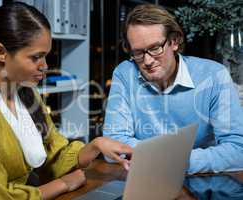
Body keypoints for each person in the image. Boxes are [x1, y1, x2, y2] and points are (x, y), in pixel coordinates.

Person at [0, 2, 132, 200]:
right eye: (36, 57)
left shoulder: (26, 92)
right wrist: (62, 184)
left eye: (46, 56)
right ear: (1, 52)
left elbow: (55, 157)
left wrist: (96, 145)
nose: (45, 66)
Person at [103, 4, 243, 175]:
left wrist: (174, 161)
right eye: (138, 52)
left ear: (174, 41)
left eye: (155, 48)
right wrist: (169, 159)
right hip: (145, 177)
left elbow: (237, 151)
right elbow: (113, 146)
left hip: (203, 181)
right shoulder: (124, 73)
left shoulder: (214, 75)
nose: (147, 61)